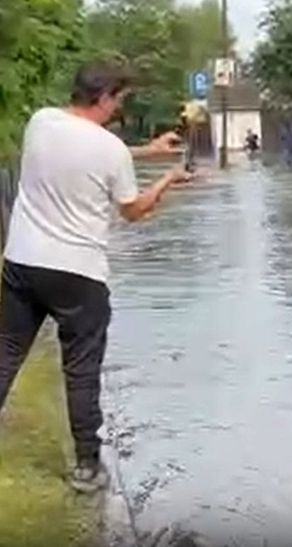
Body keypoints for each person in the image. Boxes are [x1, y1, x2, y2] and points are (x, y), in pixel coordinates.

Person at [0, 63, 191, 494]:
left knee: (7, 352)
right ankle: (87, 467)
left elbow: (90, 152)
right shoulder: (110, 150)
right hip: (78, 275)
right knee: (81, 370)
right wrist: (167, 179)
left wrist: (147, 150)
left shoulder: (41, 122)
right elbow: (133, 209)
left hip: (23, 263)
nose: (119, 109)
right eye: (119, 100)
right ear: (104, 97)